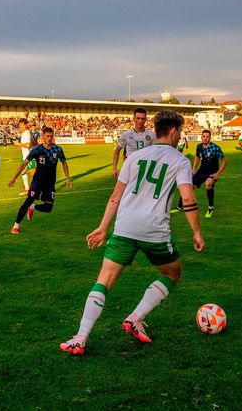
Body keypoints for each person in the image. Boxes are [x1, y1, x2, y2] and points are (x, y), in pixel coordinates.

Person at [59, 111, 205, 356]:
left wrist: (103, 227)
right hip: (154, 230)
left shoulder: (135, 157)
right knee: (172, 273)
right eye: (179, 131)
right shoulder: (180, 161)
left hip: (124, 227)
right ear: (172, 132)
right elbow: (188, 197)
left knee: (104, 280)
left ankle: (80, 337)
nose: (180, 135)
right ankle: (135, 317)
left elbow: (116, 195)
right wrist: (197, 232)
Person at [7, 126, 72, 234]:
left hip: (50, 183)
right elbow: (24, 164)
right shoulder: (37, 150)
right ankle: (16, 225)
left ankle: (33, 207)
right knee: (27, 201)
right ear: (43, 137)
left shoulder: (58, 149)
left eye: (51, 136)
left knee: (48, 208)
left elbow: (64, 162)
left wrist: (67, 178)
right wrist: (14, 177)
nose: (49, 138)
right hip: (37, 182)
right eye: (47, 136)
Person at [192, 129, 226, 218]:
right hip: (202, 171)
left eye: (207, 137)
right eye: (203, 136)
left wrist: (218, 174)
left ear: (210, 138)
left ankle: (210, 208)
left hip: (212, 172)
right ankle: (180, 207)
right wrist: (193, 169)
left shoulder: (215, 147)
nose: (205, 138)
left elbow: (224, 161)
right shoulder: (199, 146)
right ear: (201, 137)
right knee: (189, 186)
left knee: (208, 184)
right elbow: (197, 157)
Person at [112, 108, 155, 177]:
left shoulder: (151, 134)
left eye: (143, 118)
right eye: (138, 118)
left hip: (146, 170)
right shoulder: (126, 134)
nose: (140, 121)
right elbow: (117, 151)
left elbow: (157, 152)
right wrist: (114, 168)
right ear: (133, 119)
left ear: (146, 120)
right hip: (130, 169)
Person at [15, 119, 35, 194]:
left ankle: (42, 187)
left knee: (33, 174)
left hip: (29, 157)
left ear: (26, 125)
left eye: (22, 125)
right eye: (20, 125)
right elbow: (26, 144)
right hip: (25, 157)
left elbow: (28, 145)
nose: (21, 126)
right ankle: (27, 189)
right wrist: (21, 147)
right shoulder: (24, 133)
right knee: (22, 171)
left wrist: (19, 144)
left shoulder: (27, 133)